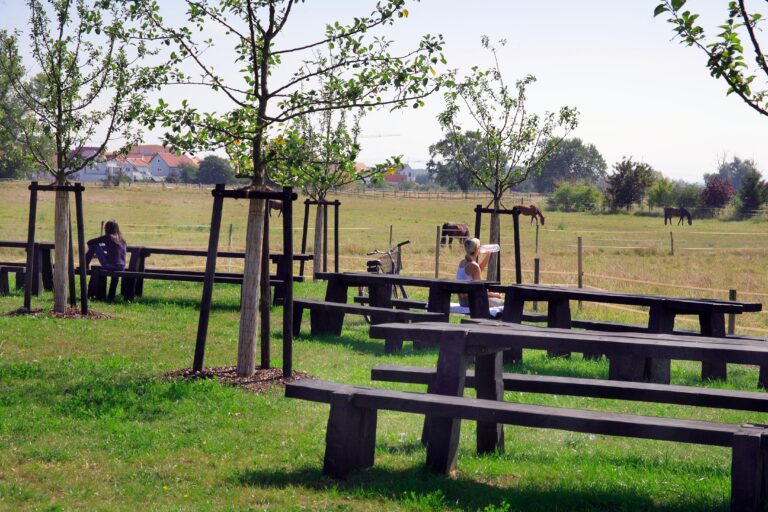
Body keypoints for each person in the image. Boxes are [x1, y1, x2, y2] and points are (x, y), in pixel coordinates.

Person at [456, 237, 504, 308]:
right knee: (504, 304)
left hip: (462, 301)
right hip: (472, 301)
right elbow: (481, 290)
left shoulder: (462, 262)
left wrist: (488, 256)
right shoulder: (473, 266)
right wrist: (495, 295)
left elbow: (476, 271)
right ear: (477, 249)